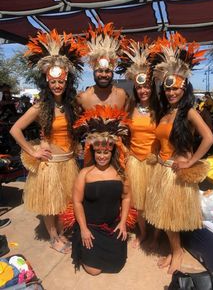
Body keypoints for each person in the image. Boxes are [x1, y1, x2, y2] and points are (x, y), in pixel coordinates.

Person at [10, 29, 86, 253]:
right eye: (52, 82)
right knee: (50, 204)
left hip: (68, 163)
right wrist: (32, 152)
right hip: (49, 165)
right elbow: (16, 129)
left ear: (66, 80)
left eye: (60, 81)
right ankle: (54, 238)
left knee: (64, 202)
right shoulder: (40, 107)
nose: (57, 85)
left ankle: (62, 233)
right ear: (46, 81)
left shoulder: (72, 106)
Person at [145, 33, 213, 274]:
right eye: (168, 90)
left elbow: (209, 138)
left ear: (184, 88)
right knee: (166, 218)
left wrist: (191, 163)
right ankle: (174, 249)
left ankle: (177, 251)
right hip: (162, 170)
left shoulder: (189, 112)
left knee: (172, 219)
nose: (171, 93)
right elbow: (160, 140)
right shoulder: (165, 113)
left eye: (175, 89)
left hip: (177, 174)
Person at [71, 105, 131, 275]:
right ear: (93, 151)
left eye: (106, 152)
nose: (102, 156)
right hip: (91, 228)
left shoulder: (121, 174)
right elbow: (77, 202)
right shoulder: (84, 174)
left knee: (117, 266)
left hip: (113, 227)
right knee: (93, 270)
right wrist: (83, 229)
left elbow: (126, 198)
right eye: (98, 152)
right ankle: (82, 246)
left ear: (112, 152)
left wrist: (122, 223)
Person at [118, 38, 160, 246]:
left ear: (152, 87)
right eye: (139, 87)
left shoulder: (159, 110)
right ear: (135, 88)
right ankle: (143, 233)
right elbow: (121, 132)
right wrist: (126, 151)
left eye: (146, 87)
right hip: (135, 162)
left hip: (154, 162)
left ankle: (156, 235)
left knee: (155, 201)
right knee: (140, 203)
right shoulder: (130, 109)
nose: (143, 90)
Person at [77, 23, 128, 111]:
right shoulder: (82, 98)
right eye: (100, 71)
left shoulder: (122, 96)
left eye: (108, 71)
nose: (104, 75)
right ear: (93, 71)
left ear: (112, 72)